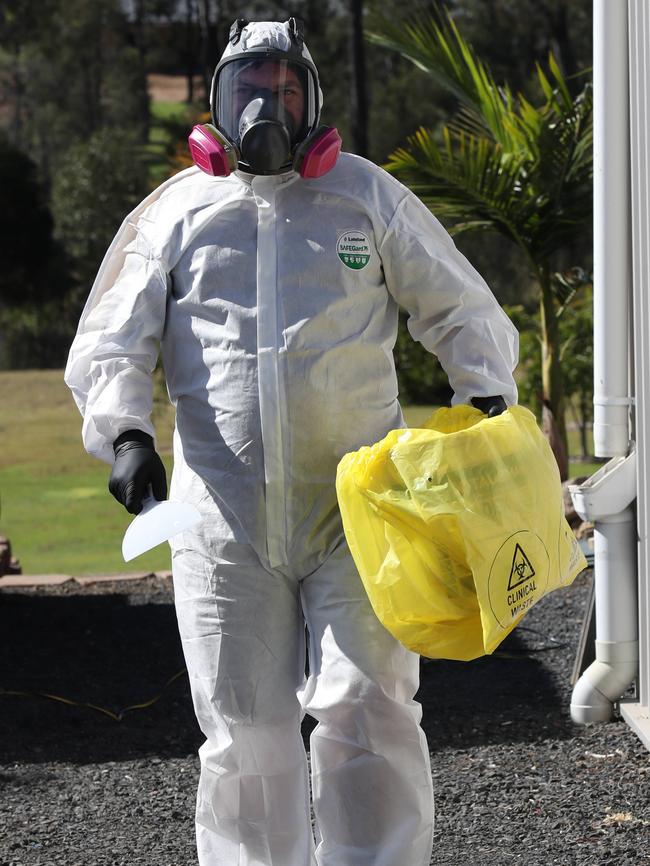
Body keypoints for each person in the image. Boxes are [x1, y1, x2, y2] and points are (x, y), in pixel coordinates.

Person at [65, 18, 518, 866]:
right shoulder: (176, 213)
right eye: (250, 89)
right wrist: (124, 430)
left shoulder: (366, 196)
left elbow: (459, 305)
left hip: (362, 512)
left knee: (369, 704)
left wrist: (484, 392)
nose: (267, 106)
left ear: (312, 100)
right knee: (242, 728)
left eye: (284, 89)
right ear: (217, 104)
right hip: (221, 517)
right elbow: (112, 339)